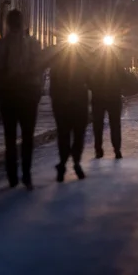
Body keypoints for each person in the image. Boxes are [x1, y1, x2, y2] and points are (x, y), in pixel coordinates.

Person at [0, 9, 45, 189]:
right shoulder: (33, 44)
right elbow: (40, 70)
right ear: (22, 23)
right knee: (27, 137)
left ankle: (13, 175)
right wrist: (38, 91)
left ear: (7, 24)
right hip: (26, 95)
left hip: (9, 95)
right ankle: (25, 174)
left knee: (10, 137)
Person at [48, 30, 89, 182]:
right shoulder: (81, 61)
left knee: (67, 134)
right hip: (73, 103)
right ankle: (71, 162)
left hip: (66, 103)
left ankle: (66, 163)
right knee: (75, 134)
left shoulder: (60, 63)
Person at [88, 29, 126, 159]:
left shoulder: (92, 59)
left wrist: (92, 87)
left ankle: (99, 150)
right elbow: (123, 75)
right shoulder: (116, 59)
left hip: (99, 95)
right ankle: (116, 150)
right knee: (114, 124)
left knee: (98, 124)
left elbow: (88, 77)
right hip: (113, 95)